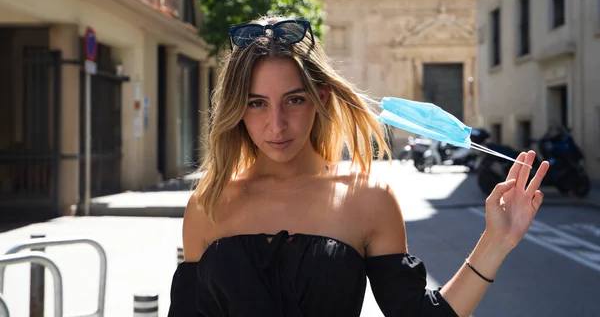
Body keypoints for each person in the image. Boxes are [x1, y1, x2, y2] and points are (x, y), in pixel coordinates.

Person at [167, 16, 549, 317]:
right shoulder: (208, 204)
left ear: (320, 97)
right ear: (237, 110)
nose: (277, 124)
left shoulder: (367, 199)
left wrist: (496, 243)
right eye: (257, 103)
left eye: (294, 100)